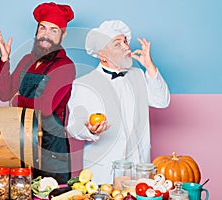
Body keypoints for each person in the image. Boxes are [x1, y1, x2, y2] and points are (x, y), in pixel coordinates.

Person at [67, 20, 170, 184]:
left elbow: (162, 101)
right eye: (117, 44)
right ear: (102, 55)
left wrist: (149, 67)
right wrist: (91, 131)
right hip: (103, 173)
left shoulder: (138, 75)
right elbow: (74, 126)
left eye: (125, 42)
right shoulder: (84, 84)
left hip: (139, 170)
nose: (126, 48)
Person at [0, 2, 75, 184]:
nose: (46, 35)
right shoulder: (26, 60)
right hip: (23, 143)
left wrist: (17, 101)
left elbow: (45, 107)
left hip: (52, 150)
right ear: (37, 30)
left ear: (63, 35)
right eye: (42, 28)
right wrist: (4, 60)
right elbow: (5, 93)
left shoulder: (65, 66)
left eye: (54, 30)